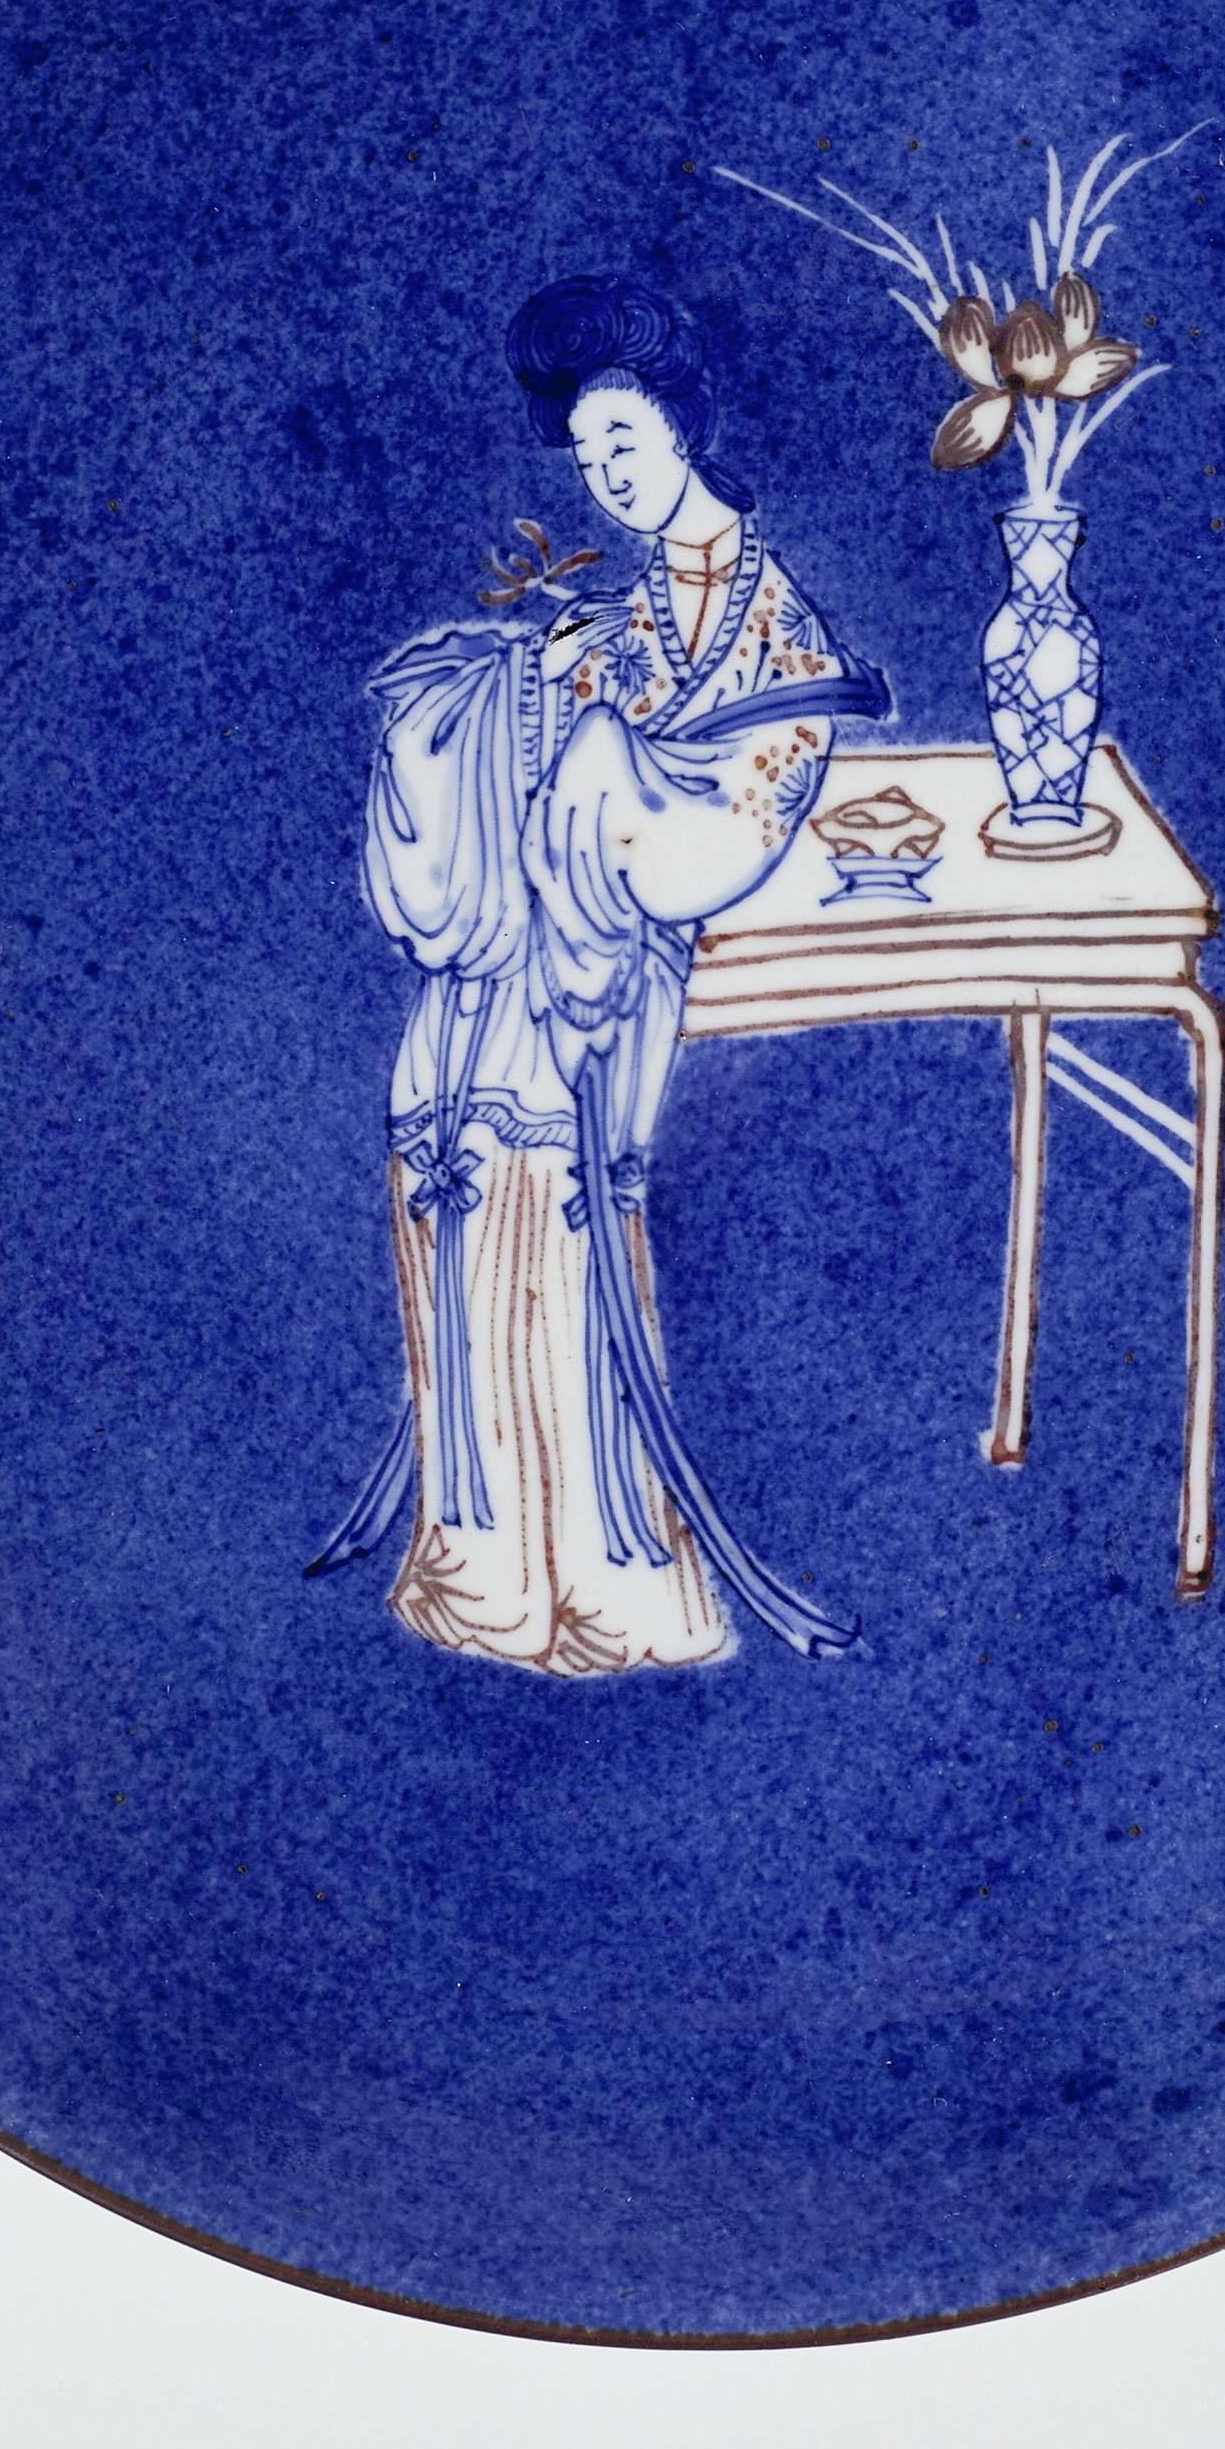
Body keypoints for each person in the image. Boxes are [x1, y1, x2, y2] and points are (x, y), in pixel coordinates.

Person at [311, 274, 886, 1670]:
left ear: (684, 427)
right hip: (550, 937)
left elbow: (732, 815)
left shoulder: (776, 624)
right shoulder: (621, 615)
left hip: (628, 926)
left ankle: (606, 1578)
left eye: (624, 440)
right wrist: (496, 698)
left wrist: (601, 778)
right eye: (586, 456)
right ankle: (489, 1564)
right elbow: (541, 740)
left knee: (534, 1119)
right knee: (445, 1084)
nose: (607, 475)